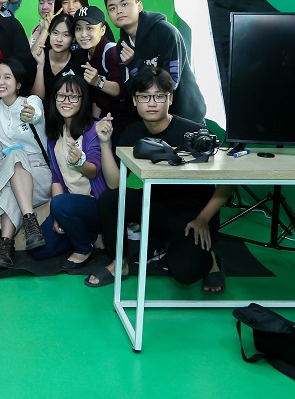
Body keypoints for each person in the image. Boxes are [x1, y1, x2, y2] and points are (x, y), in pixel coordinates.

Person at [86, 67, 230, 293]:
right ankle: (119, 262)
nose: (151, 103)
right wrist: (104, 142)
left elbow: (228, 180)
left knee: (185, 274)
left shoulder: (193, 131)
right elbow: (114, 184)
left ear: (170, 99)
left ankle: (211, 259)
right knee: (110, 199)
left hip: (194, 214)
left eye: (159, 96)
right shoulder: (132, 133)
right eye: (144, 96)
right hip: (158, 207)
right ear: (135, 101)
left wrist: (203, 219)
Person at [30, 76, 110, 269]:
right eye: (61, 96)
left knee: (60, 203)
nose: (66, 101)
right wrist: (58, 215)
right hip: (68, 207)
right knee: (39, 251)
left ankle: (83, 248)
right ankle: (86, 235)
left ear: (83, 100)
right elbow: (56, 178)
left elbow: (93, 171)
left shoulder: (94, 130)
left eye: (73, 97)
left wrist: (79, 162)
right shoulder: (54, 136)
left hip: (96, 205)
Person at [104, 0, 206, 124]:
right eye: (112, 8)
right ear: (109, 15)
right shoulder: (122, 46)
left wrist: (134, 63)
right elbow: (131, 90)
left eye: (124, 4)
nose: (119, 11)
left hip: (186, 117)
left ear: (139, 6)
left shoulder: (166, 32)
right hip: (151, 122)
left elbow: (170, 83)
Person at [0, 57, 51, 269]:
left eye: (7, 77)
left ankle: (6, 243)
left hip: (39, 172)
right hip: (11, 171)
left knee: (15, 156)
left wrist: (31, 115)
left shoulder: (31, 101)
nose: (0, 82)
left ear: (18, 83)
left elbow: (36, 114)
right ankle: (27, 224)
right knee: (11, 169)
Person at [74, 5, 135, 134]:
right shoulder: (84, 54)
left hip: (123, 124)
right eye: (78, 28)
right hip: (101, 122)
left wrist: (97, 81)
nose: (83, 34)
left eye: (89, 28)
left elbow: (121, 89)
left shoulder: (111, 51)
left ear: (102, 30)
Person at [32, 13, 83, 100]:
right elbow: (36, 100)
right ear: (49, 34)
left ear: (73, 38)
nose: (59, 39)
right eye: (55, 33)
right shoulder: (40, 56)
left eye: (66, 35)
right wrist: (40, 66)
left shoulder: (79, 65)